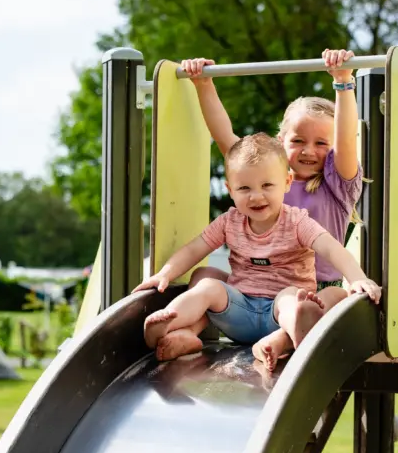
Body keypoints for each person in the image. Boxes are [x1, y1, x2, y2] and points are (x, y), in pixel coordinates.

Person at [177, 47, 364, 362]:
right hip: (257, 290)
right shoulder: (266, 181)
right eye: (298, 141)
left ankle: (280, 340)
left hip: (311, 291)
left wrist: (343, 83)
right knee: (202, 276)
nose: (309, 150)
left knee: (336, 297)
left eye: (321, 143)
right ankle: (188, 332)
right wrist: (203, 85)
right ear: (281, 142)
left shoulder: (338, 185)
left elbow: (346, 140)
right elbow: (226, 140)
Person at [134, 132, 381, 369]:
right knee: (207, 284)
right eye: (244, 189)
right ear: (231, 191)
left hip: (279, 314)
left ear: (286, 183)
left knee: (292, 296)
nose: (256, 196)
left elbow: (331, 248)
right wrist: (164, 273)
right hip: (238, 311)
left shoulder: (297, 222)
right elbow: (194, 248)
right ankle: (168, 322)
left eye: (266, 185)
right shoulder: (229, 222)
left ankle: (286, 337)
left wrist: (357, 277)